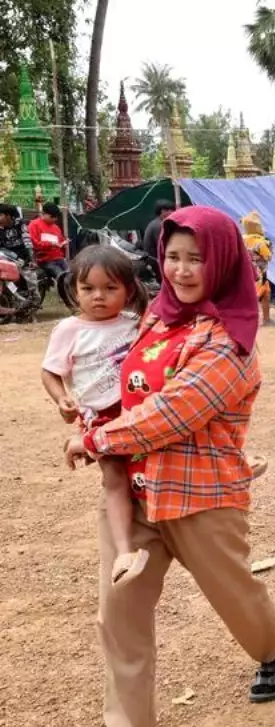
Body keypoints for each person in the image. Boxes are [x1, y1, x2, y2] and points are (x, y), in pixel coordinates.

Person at [60, 206, 275, 727]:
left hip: (201, 496)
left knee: (235, 595)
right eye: (173, 257)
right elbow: (118, 388)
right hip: (133, 495)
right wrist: (82, 408)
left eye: (197, 258)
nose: (183, 270)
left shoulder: (229, 342)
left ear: (222, 263)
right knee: (119, 612)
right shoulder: (152, 322)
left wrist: (95, 440)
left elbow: (174, 413)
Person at [42, 246, 148, 588]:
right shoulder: (69, 329)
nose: (98, 297)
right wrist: (62, 400)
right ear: (75, 289)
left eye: (110, 288)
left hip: (141, 408)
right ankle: (124, 551)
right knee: (115, 477)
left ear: (128, 291)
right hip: (100, 416)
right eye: (88, 289)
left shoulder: (136, 323)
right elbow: (50, 372)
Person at [241, 211, 275, 327]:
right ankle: (261, 320)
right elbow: (268, 257)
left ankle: (263, 319)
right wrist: (270, 249)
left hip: (245, 272)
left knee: (261, 294)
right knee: (261, 295)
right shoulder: (261, 242)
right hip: (259, 273)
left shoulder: (241, 239)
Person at [30, 202, 68, 279]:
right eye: (52, 217)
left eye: (56, 217)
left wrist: (63, 243)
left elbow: (60, 242)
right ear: (44, 213)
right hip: (45, 260)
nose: (55, 219)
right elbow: (34, 244)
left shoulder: (56, 228)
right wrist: (51, 243)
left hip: (59, 258)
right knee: (61, 275)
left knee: (71, 274)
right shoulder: (34, 225)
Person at [141, 200, 175, 279]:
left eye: (172, 210)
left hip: (153, 259)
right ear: (162, 212)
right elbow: (163, 246)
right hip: (156, 261)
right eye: (168, 210)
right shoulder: (159, 225)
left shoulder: (155, 222)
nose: (172, 212)